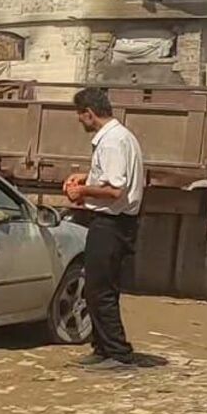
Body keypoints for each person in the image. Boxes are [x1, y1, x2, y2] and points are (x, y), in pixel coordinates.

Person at [64, 87, 145, 369]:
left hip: (112, 223)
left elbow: (114, 190)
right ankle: (102, 348)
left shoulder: (111, 142)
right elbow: (111, 177)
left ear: (89, 113)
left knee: (100, 290)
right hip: (115, 223)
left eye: (80, 115)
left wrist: (82, 191)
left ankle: (117, 352)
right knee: (97, 288)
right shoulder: (120, 137)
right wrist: (86, 177)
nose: (79, 120)